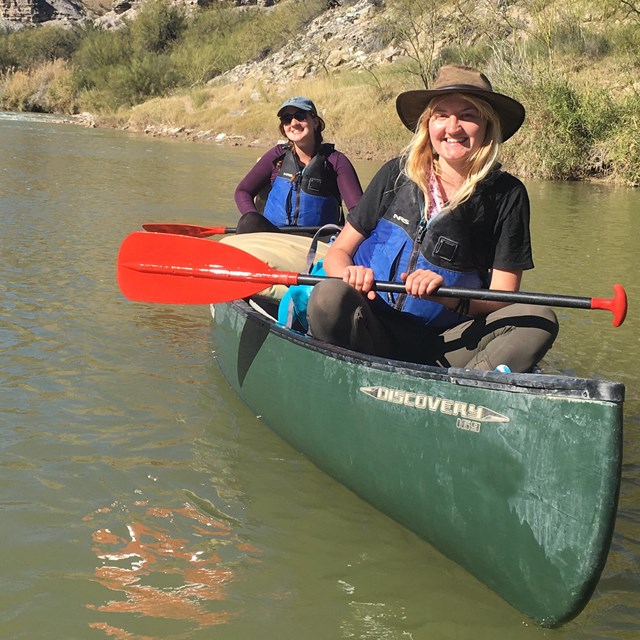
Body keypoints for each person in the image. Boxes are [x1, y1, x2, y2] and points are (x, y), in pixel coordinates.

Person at [306, 64, 559, 373]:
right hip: (373, 324)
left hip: (445, 342)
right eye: (441, 115)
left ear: (487, 125)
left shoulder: (508, 195)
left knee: (539, 319)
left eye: (468, 115)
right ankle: (348, 371)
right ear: (428, 124)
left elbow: (503, 296)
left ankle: (465, 390)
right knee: (328, 295)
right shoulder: (394, 173)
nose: (453, 127)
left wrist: (448, 299)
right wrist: (350, 274)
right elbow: (338, 253)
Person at [234, 97, 363, 234]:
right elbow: (242, 191)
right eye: (287, 119)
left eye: (300, 116)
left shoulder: (335, 160)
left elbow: (359, 211)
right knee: (248, 221)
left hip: (319, 239)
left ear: (315, 122)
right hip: (272, 236)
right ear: (284, 128)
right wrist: (255, 220)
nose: (293, 123)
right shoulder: (276, 155)